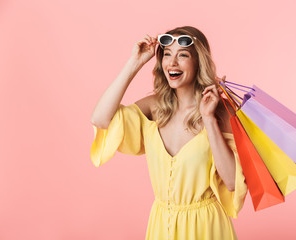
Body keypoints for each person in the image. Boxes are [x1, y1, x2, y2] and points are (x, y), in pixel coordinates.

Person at [90, 26, 248, 240]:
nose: (172, 63)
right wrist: (134, 64)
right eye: (167, 55)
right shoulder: (155, 107)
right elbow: (100, 119)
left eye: (182, 55)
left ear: (198, 61)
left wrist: (209, 118)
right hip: (160, 225)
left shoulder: (221, 112)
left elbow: (231, 181)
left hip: (206, 228)